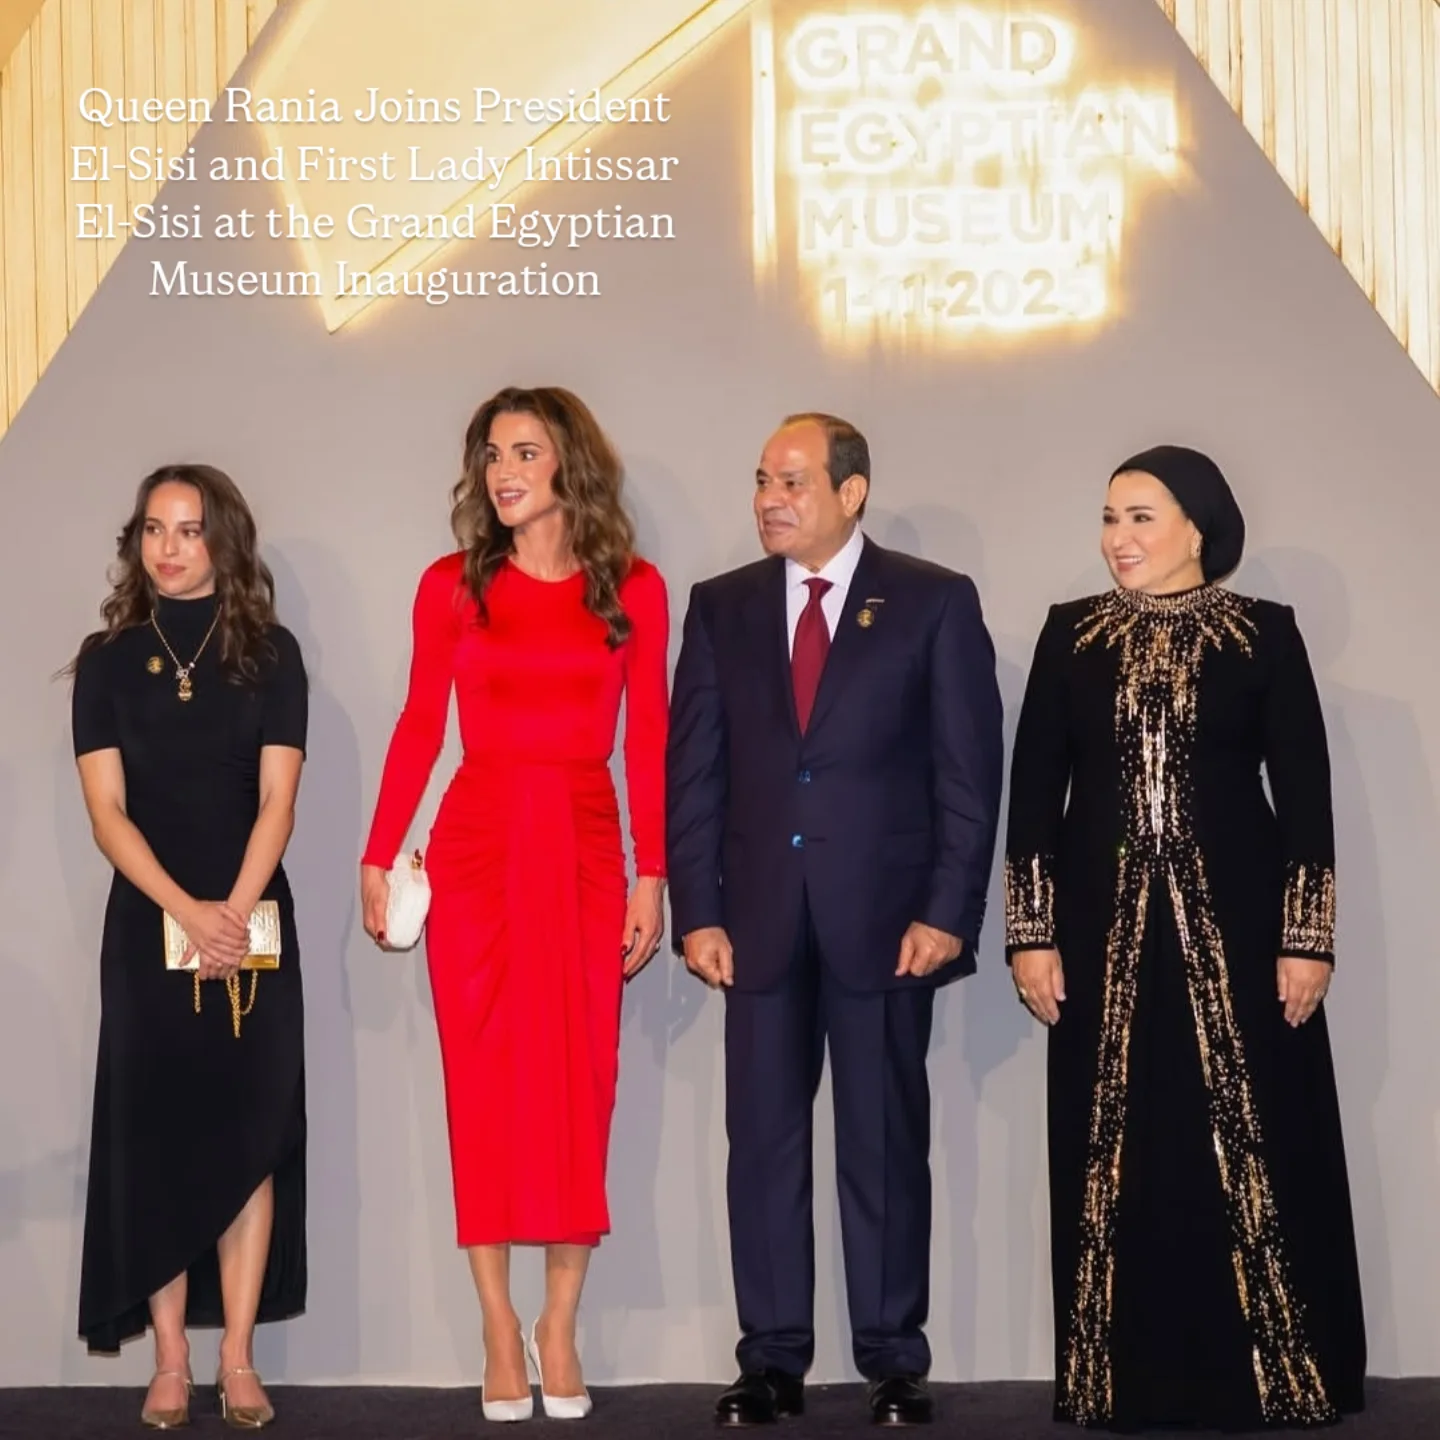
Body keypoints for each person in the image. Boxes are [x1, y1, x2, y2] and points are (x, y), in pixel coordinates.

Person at [1004, 445, 1367, 1431]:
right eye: (1110, 517)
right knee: (1115, 1143)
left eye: (1141, 518)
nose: (1117, 538)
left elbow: (1306, 798)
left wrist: (1308, 938)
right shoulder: (1069, 636)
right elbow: (1033, 795)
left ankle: (1284, 1373)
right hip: (1098, 930)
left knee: (1256, 1139)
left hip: (1243, 932)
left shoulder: (1263, 636)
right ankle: (1119, 1380)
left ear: (1198, 528)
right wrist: (1031, 935)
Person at [666, 412, 1004, 1427]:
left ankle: (893, 1360)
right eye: (762, 480)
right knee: (762, 1145)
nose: (771, 497)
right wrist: (698, 910)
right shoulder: (720, 607)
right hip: (756, 921)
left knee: (885, 1143)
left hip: (889, 921)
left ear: (852, 493)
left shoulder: (934, 602)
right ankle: (771, 1361)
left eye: (795, 481)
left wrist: (949, 910)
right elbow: (695, 774)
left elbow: (966, 772)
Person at [360, 386, 669, 1422]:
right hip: (479, 845)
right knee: (482, 1084)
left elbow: (652, 740)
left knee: (582, 1082)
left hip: (584, 845)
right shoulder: (452, 585)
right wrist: (377, 850)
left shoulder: (634, 587)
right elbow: (417, 722)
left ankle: (559, 1324)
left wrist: (651, 872)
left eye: (525, 452)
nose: (502, 470)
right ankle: (498, 1323)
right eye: (491, 452)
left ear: (567, 464)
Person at [68, 464, 308, 1430]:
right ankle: (169, 1358)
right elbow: (106, 812)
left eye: (190, 530)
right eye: (153, 530)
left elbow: (279, 800)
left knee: (249, 1143)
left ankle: (238, 1357)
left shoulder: (272, 653)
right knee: (155, 1138)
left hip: (251, 919)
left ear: (225, 541)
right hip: (147, 923)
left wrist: (233, 914)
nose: (168, 547)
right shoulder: (107, 659)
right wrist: (184, 910)